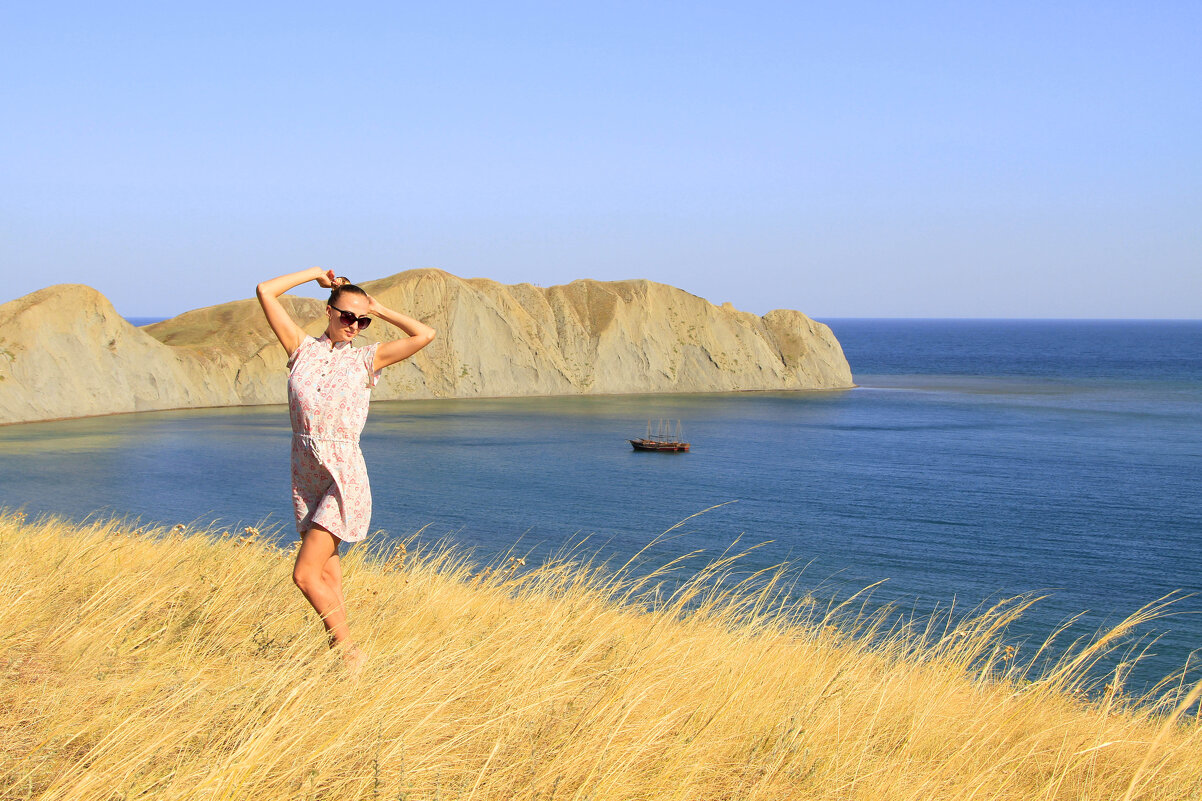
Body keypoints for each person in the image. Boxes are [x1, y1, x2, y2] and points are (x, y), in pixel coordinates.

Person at [256, 267, 436, 672]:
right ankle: (345, 663)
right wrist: (316, 273)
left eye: (362, 320)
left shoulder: (366, 360)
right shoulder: (301, 349)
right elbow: (265, 291)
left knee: (304, 575)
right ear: (329, 312)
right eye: (347, 316)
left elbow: (424, 335)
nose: (355, 325)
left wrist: (377, 307)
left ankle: (348, 652)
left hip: (343, 475)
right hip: (307, 471)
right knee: (327, 576)